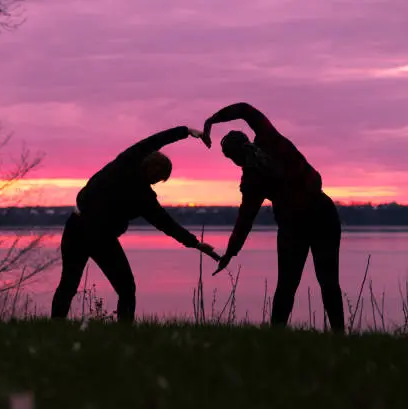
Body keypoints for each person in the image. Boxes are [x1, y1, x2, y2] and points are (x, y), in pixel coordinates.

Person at [51, 125, 221, 322]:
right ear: (152, 169)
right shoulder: (131, 172)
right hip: (93, 234)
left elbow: (165, 223)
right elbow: (152, 143)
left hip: (80, 229)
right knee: (123, 287)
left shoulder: (133, 177)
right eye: (158, 178)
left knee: (73, 284)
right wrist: (184, 131)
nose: (157, 182)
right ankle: (120, 331)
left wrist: (195, 243)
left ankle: (58, 327)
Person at [202, 102, 345, 334]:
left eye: (231, 157)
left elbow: (244, 221)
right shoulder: (265, 149)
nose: (234, 162)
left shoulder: (260, 160)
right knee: (321, 282)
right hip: (311, 218)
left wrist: (212, 120)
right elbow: (244, 220)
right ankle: (336, 335)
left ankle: (281, 335)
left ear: (235, 156)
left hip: (308, 220)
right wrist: (230, 252)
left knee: (293, 284)